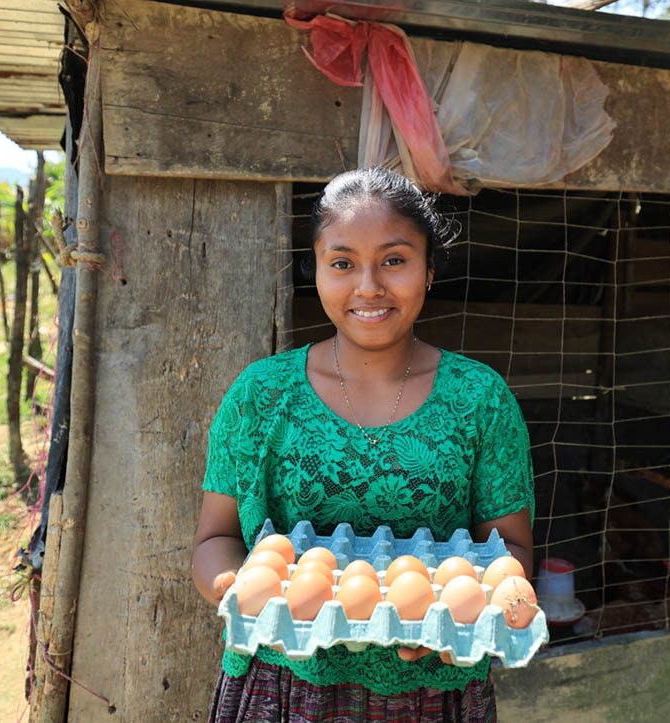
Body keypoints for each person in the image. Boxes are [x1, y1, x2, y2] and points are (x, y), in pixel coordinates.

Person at [192, 166, 534, 722]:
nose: (369, 286)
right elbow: (216, 538)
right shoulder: (263, 396)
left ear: (428, 269)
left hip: (433, 692)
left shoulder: (480, 400)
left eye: (394, 260)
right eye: (343, 263)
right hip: (284, 689)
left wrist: (462, 623)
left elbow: (510, 554)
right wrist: (252, 595)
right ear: (315, 269)